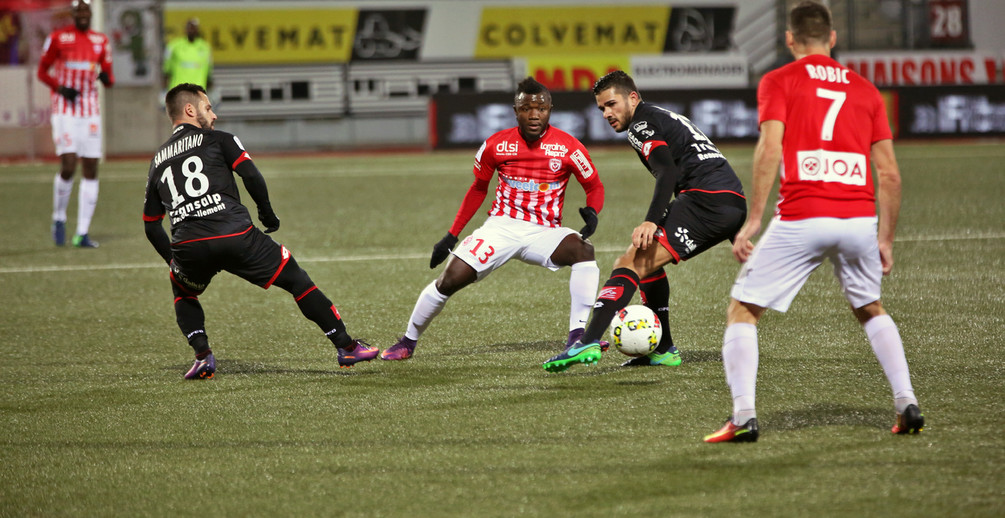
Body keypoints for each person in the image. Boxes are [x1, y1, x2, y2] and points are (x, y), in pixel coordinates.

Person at [703, 1, 923, 443]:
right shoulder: (865, 90)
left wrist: (756, 219)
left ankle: (743, 416)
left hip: (802, 216)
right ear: (833, 39)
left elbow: (769, 149)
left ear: (789, 40)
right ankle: (907, 402)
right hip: (859, 218)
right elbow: (891, 174)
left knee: (743, 309)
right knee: (870, 307)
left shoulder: (778, 80)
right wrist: (885, 240)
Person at [142, 83, 378, 379]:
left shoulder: (157, 161)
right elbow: (250, 174)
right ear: (190, 110)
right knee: (296, 279)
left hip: (188, 246)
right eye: (208, 107)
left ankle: (202, 356)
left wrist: (174, 262)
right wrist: (266, 212)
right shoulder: (219, 139)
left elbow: (151, 225)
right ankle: (346, 346)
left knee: (183, 291)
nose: (213, 116)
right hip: (235, 235)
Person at [380, 77, 605, 361]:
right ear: (515, 110)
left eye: (541, 108)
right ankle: (407, 342)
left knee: (583, 251)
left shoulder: (569, 147)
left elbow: (594, 186)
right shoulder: (496, 146)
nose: (534, 115)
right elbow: (478, 189)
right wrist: (452, 235)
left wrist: (593, 211)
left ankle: (579, 338)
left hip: (544, 232)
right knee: (449, 280)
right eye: (526, 108)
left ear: (550, 109)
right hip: (501, 227)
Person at [543, 70, 747, 372]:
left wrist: (651, 220)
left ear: (633, 98)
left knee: (628, 263)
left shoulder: (640, 125)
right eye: (602, 108)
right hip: (728, 199)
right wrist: (736, 227)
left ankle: (586, 341)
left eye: (612, 104)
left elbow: (668, 172)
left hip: (705, 199)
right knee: (648, 264)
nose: (607, 113)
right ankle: (663, 350)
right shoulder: (663, 116)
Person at [37, 0, 113, 248]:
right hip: (65, 108)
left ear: (90, 14)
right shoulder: (59, 38)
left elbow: (109, 78)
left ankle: (82, 232)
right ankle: (59, 217)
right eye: (78, 10)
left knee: (91, 166)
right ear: (72, 13)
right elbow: (42, 71)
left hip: (90, 110)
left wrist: (105, 77)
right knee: (69, 163)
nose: (82, 14)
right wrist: (60, 88)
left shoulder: (100, 41)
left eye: (86, 10)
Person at [163, 18, 212, 90]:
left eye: (194, 28)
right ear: (185, 29)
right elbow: (166, 69)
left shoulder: (204, 47)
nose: (192, 30)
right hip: (178, 90)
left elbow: (209, 70)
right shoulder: (174, 46)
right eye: (190, 27)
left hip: (198, 91)